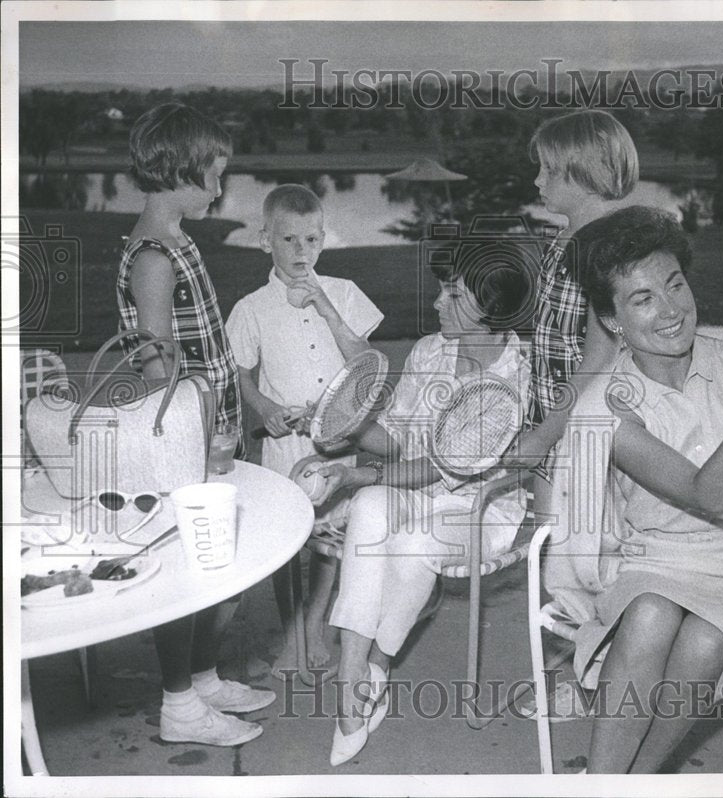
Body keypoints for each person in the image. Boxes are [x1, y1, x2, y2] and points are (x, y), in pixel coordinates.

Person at [543, 205, 723, 774]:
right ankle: (601, 783)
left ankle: (635, 780)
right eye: (642, 299)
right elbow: (711, 495)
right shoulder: (607, 407)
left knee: (705, 643)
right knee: (650, 612)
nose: (670, 310)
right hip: (658, 563)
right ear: (613, 320)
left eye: (675, 284)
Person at [290, 247, 531, 766]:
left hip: (479, 508)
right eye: (443, 288)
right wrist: (346, 426)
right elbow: (399, 441)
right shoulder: (429, 352)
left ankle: (378, 663)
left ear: (490, 315)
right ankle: (353, 678)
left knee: (411, 537)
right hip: (413, 490)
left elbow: (443, 468)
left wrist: (353, 473)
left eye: (454, 294)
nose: (437, 301)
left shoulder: (512, 382)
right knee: (373, 505)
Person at [115, 102, 274, 746]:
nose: (220, 189)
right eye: (214, 175)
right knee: (189, 570)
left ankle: (204, 679)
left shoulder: (179, 241)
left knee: (220, 565)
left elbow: (210, 344)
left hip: (213, 427)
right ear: (179, 171)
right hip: (184, 438)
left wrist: (244, 407)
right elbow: (156, 364)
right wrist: (199, 439)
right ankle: (179, 704)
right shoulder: (153, 256)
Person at [225, 184, 383, 676]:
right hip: (285, 444)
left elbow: (366, 364)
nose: (301, 251)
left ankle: (315, 620)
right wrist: (266, 408)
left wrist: (325, 306)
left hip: (338, 441)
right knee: (289, 537)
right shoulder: (251, 308)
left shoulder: (344, 294)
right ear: (264, 240)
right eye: (289, 239)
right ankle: (294, 622)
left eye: (311, 240)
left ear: (323, 239)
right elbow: (243, 376)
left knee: (332, 537)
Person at [510, 110, 638, 511]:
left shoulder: (608, 250)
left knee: (584, 545)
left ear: (586, 174)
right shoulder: (563, 240)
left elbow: (601, 357)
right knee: (551, 539)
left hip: (588, 426)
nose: (537, 180)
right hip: (555, 418)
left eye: (549, 171)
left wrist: (546, 434)